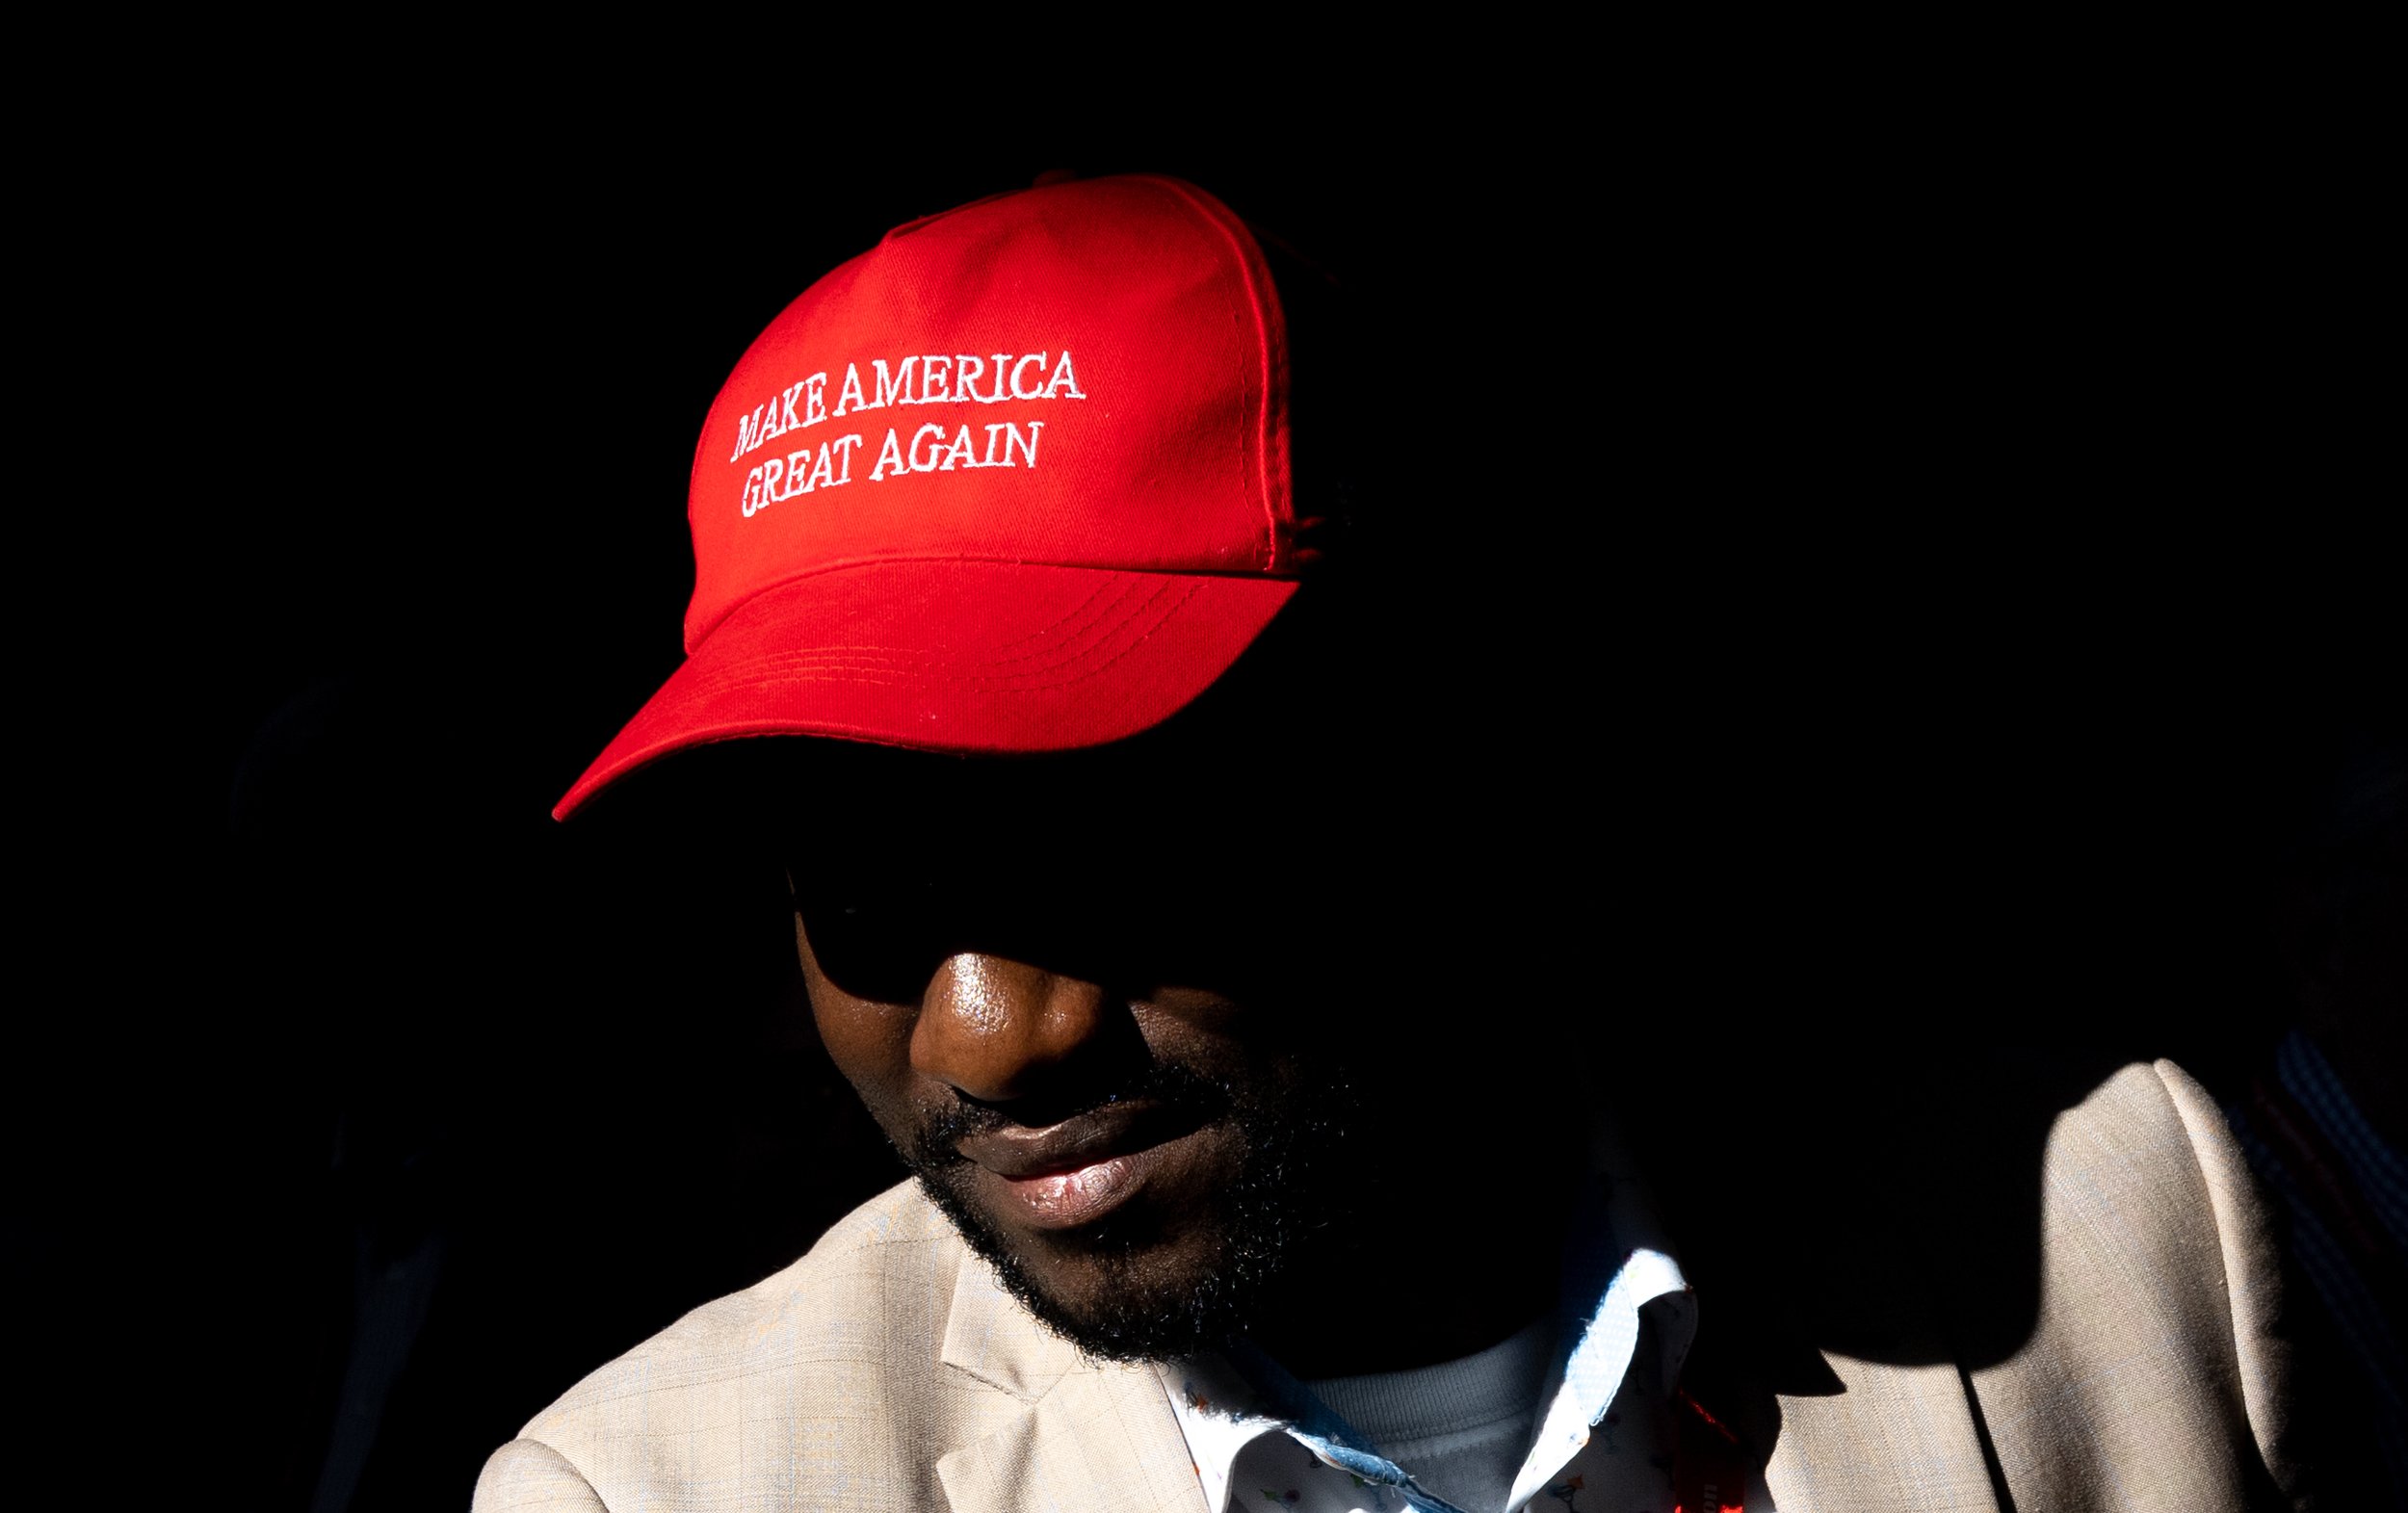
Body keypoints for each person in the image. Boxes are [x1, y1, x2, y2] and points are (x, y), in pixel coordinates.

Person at [475, 174, 2307, 1512]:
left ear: (1440, 729)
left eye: (1100, 826)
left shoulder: (2125, 1240)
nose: (989, 1035)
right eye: (861, 889)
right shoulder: (655, 1492)